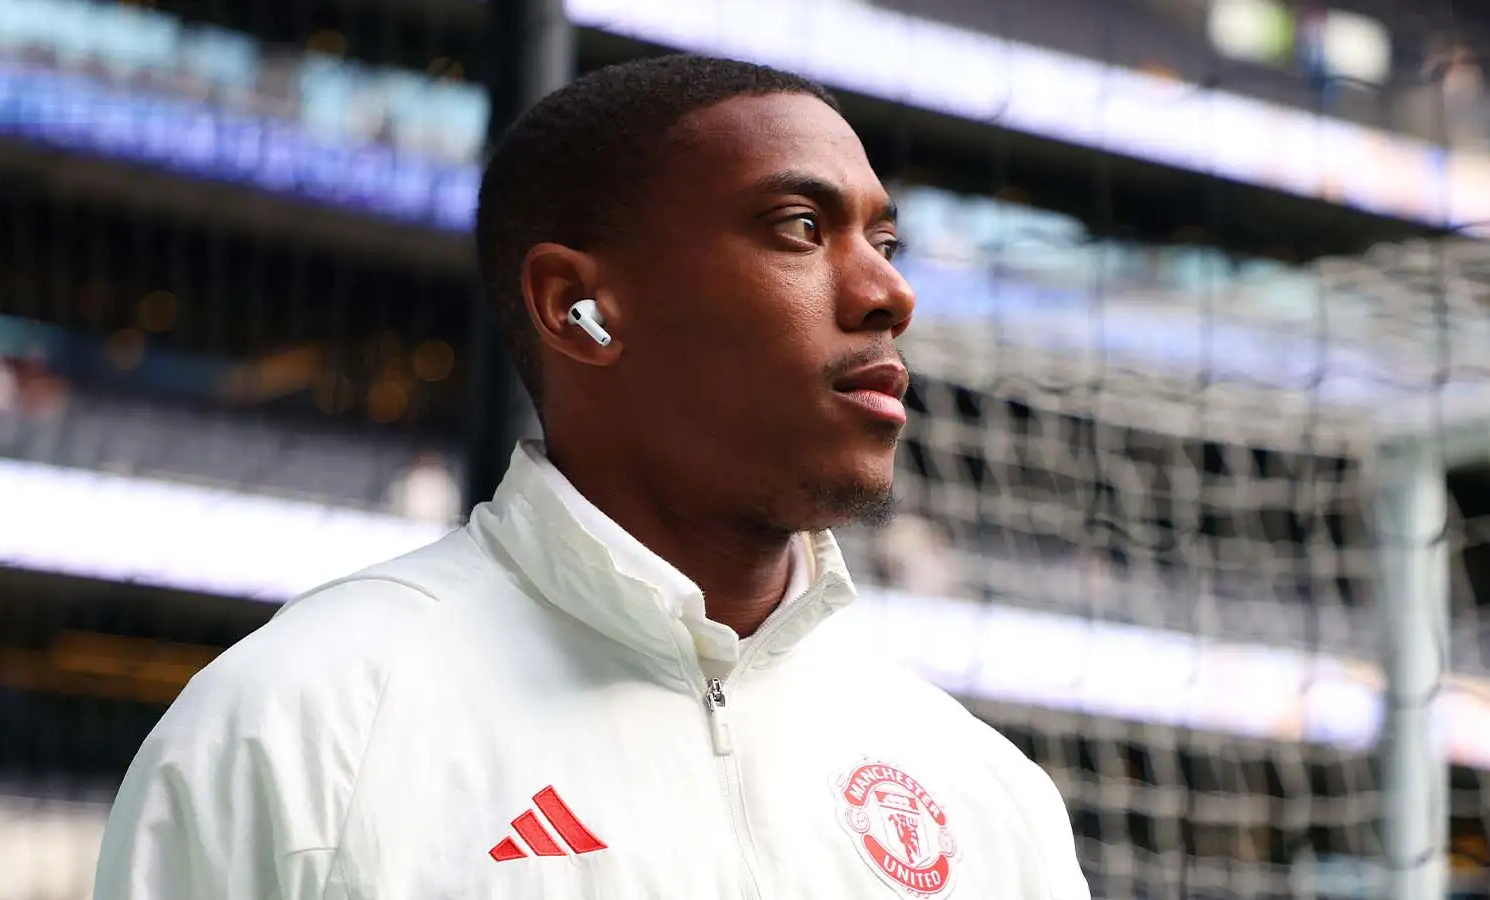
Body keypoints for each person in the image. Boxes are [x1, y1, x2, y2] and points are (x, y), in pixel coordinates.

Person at [93, 54, 1089, 899]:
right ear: (579, 306)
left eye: (884, 240)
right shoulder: (298, 730)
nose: (888, 291)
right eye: (798, 226)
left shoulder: (985, 794)